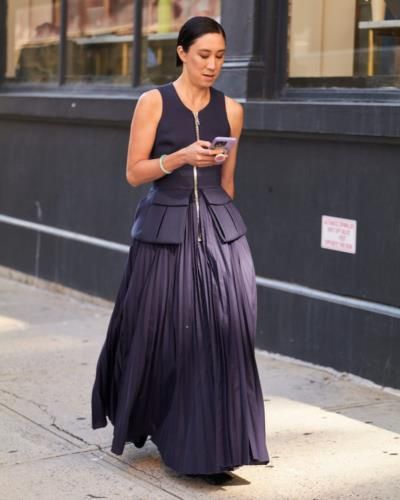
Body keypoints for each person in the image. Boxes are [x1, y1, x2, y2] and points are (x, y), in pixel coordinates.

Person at [91, 15, 270, 485]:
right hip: (164, 233)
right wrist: (178, 158)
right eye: (204, 55)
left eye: (220, 56)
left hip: (220, 234)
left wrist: (211, 168)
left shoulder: (232, 110)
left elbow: (227, 184)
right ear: (182, 52)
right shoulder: (153, 102)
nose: (213, 65)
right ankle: (167, 427)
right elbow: (134, 172)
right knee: (167, 337)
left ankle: (215, 447)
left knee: (224, 335)